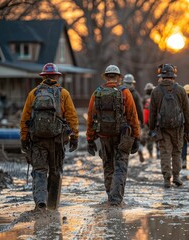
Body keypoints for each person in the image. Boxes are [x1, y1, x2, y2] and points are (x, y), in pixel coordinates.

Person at [20, 63, 79, 210]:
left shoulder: (33, 93)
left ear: (43, 77)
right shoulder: (63, 93)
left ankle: (41, 202)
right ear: (56, 77)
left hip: (37, 140)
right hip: (57, 141)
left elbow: (25, 118)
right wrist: (74, 137)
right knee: (55, 171)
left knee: (39, 170)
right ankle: (52, 205)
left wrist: (24, 139)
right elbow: (72, 117)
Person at [86, 65, 140, 206]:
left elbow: (91, 118)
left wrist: (90, 139)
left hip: (103, 136)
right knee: (120, 166)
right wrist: (136, 137)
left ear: (106, 77)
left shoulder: (96, 93)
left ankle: (110, 195)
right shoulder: (125, 92)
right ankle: (116, 199)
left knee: (108, 165)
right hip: (122, 136)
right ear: (118, 77)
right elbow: (133, 116)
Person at [148, 64, 189, 188]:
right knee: (177, 152)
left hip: (162, 128)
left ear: (161, 75)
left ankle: (167, 179)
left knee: (165, 152)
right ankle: (176, 177)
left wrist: (151, 129)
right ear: (173, 76)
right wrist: (187, 130)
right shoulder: (181, 90)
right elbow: (186, 112)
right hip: (178, 128)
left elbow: (152, 112)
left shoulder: (155, 91)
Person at [123, 73, 145, 163]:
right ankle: (138, 147)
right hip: (133, 120)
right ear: (132, 83)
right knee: (136, 136)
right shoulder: (135, 94)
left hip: (121, 121)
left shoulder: (120, 91)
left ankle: (124, 155)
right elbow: (139, 109)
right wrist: (142, 121)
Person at [141, 82, 159, 159]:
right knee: (157, 137)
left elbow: (141, 110)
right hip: (155, 120)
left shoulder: (144, 99)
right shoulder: (155, 98)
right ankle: (158, 152)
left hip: (146, 121)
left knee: (149, 138)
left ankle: (150, 153)